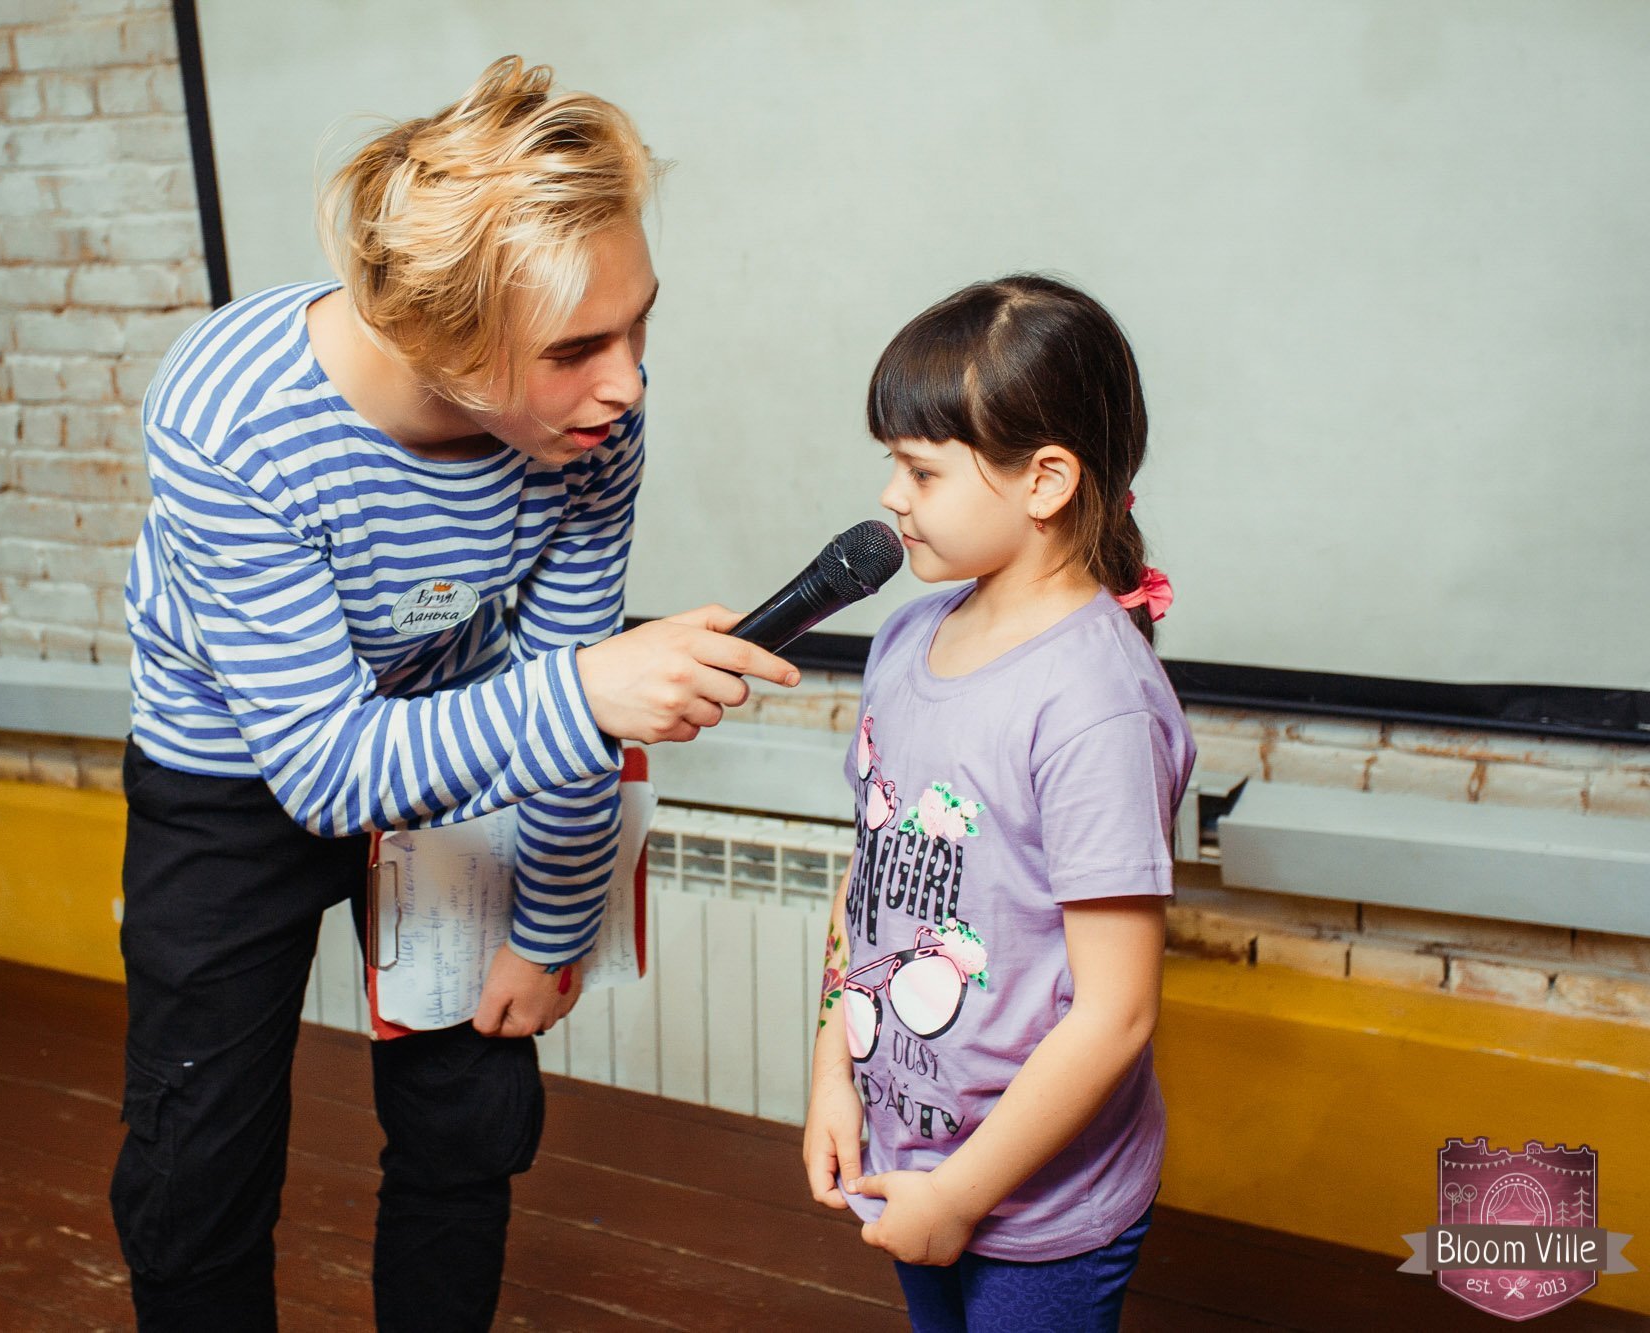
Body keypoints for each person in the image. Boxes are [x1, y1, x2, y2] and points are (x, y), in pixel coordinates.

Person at [111, 57, 798, 1332]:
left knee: (469, 1123)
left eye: (638, 325)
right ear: (438, 337)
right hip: (233, 779)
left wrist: (553, 924)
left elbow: (565, 680)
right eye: (576, 349)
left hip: (465, 755)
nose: (626, 383)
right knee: (195, 1162)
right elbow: (324, 769)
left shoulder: (592, 422)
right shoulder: (231, 415)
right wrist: (584, 692)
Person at [801, 275, 1196, 1333]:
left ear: (1045, 480)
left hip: (1040, 1210)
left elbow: (1116, 1013)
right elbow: (868, 883)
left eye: (921, 469)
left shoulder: (1095, 704)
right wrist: (831, 1077)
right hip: (908, 1160)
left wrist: (962, 1194)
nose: (891, 495)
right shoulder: (902, 639)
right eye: (893, 463)